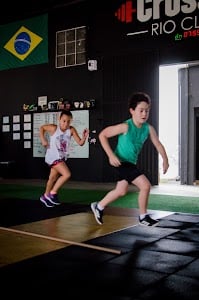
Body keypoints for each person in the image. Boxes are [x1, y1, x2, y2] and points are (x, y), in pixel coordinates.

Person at [91, 92, 169, 226]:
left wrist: (165, 160)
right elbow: (102, 135)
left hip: (130, 163)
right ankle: (143, 217)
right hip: (121, 162)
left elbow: (158, 144)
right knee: (145, 186)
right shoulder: (125, 126)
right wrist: (111, 155)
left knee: (121, 191)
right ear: (132, 111)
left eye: (147, 111)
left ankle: (99, 206)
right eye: (141, 110)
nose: (144, 114)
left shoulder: (148, 128)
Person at [39, 109, 89, 207]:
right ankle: (53, 193)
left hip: (61, 157)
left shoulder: (71, 130)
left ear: (71, 121)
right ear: (59, 119)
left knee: (52, 178)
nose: (66, 124)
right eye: (64, 121)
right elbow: (42, 128)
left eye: (68, 121)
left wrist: (84, 137)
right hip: (53, 156)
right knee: (67, 174)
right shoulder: (54, 128)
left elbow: (80, 143)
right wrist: (43, 139)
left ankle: (45, 196)